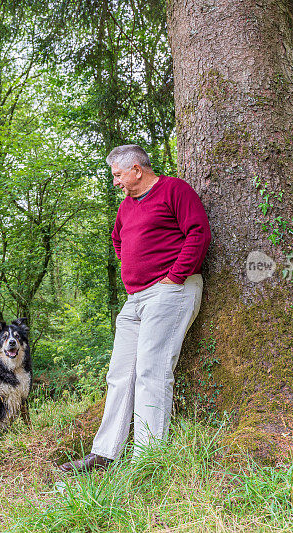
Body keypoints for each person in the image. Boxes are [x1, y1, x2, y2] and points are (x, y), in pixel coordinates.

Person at [58, 144, 211, 473]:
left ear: (137, 170)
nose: (116, 182)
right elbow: (117, 239)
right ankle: (105, 453)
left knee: (151, 372)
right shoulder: (126, 207)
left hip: (170, 291)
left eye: (118, 175)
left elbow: (198, 232)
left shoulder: (175, 190)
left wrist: (174, 276)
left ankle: (148, 459)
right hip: (136, 298)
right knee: (120, 374)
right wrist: (132, 265)